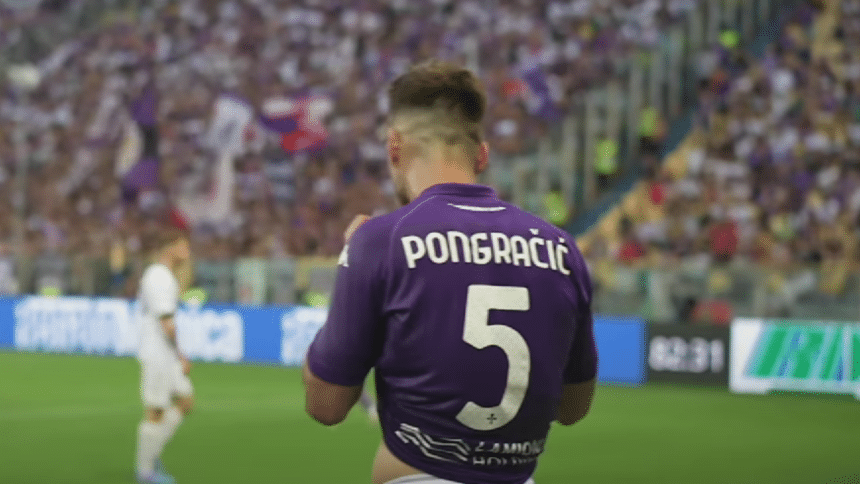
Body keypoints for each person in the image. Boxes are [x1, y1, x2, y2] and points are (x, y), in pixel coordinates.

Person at [303, 61, 597, 484]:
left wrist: (352, 277)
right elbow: (573, 408)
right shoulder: (561, 248)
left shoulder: (381, 241)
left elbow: (325, 405)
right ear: (482, 155)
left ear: (394, 147)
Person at [135, 229, 195, 484]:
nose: (187, 251)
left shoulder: (165, 275)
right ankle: (145, 470)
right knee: (156, 409)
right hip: (158, 353)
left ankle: (151, 453)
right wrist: (180, 355)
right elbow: (167, 323)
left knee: (185, 400)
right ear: (169, 247)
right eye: (183, 245)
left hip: (165, 354)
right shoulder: (158, 276)